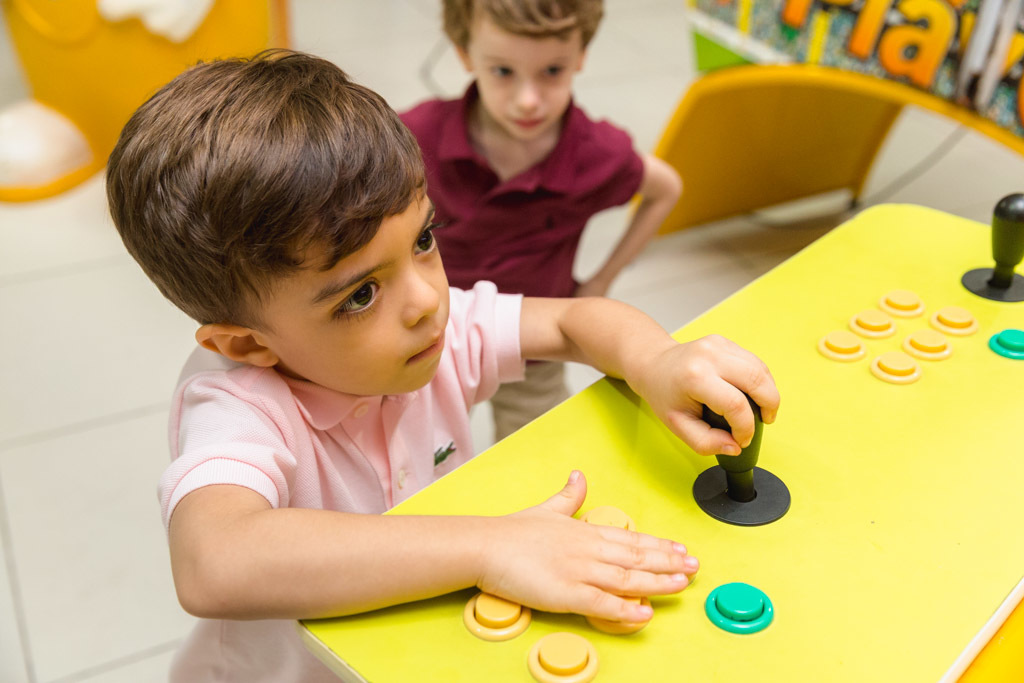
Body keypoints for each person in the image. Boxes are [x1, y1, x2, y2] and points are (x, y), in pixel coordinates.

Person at [106, 50, 778, 683]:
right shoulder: (237, 405)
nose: (429, 299)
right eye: (360, 294)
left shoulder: (430, 330)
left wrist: (657, 359)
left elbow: (574, 320)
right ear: (251, 345)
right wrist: (490, 545)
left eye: (423, 239)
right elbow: (215, 564)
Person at [401, 0, 683, 441]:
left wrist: (601, 280)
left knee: (536, 452)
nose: (528, 101)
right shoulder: (414, 136)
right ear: (464, 53)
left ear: (581, 56)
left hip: (535, 350)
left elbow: (666, 189)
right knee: (420, 456)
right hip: (432, 340)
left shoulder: (596, 153)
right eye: (503, 72)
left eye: (552, 72)